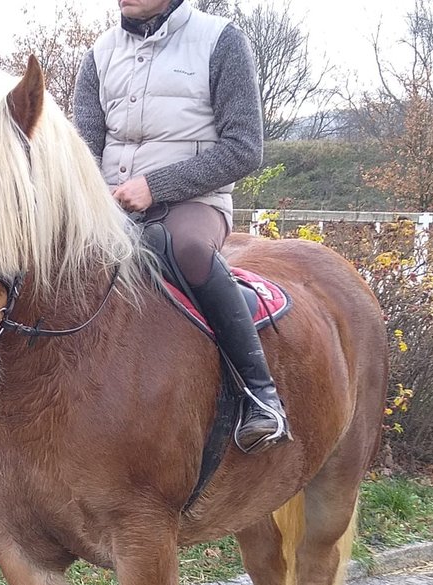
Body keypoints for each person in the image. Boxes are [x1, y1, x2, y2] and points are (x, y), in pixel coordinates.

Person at [73, 0, 289, 453]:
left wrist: (156, 186)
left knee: (188, 249)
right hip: (110, 207)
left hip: (195, 200)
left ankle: (259, 395)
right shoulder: (98, 54)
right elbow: (84, 150)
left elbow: (244, 148)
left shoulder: (220, 41)